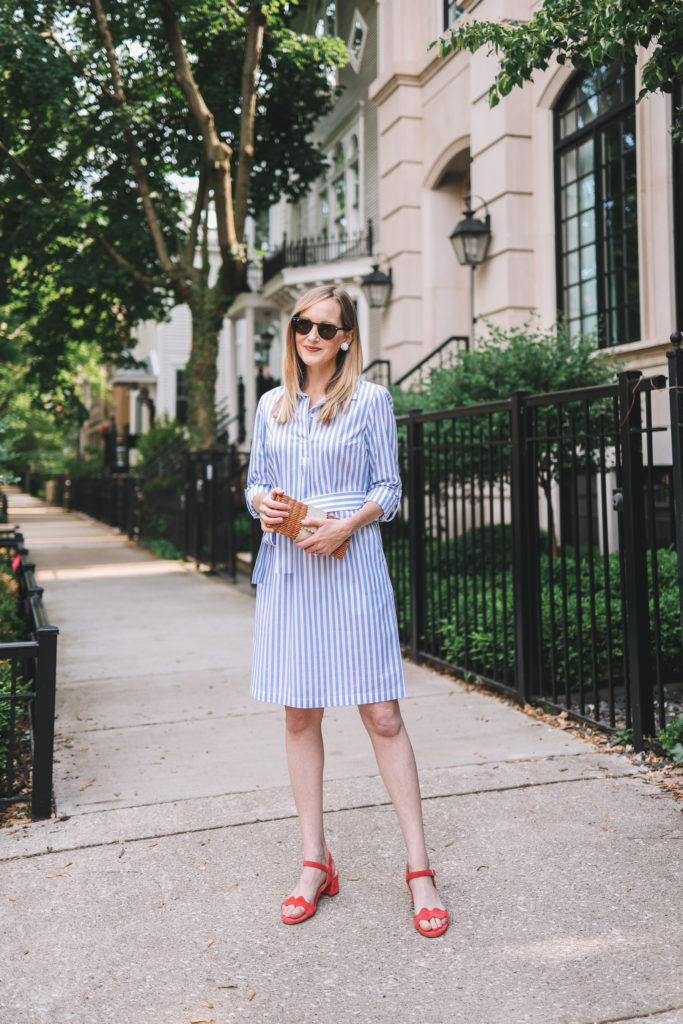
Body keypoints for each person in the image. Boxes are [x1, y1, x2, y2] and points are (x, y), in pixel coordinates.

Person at [245, 284, 448, 937]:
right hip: (289, 568)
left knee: (382, 715)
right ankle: (315, 863)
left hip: (350, 562)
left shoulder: (370, 402)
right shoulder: (270, 405)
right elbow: (254, 481)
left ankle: (419, 869)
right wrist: (262, 506)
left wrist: (346, 524)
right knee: (300, 712)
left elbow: (388, 491)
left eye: (325, 328)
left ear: (346, 339)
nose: (311, 335)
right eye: (302, 324)